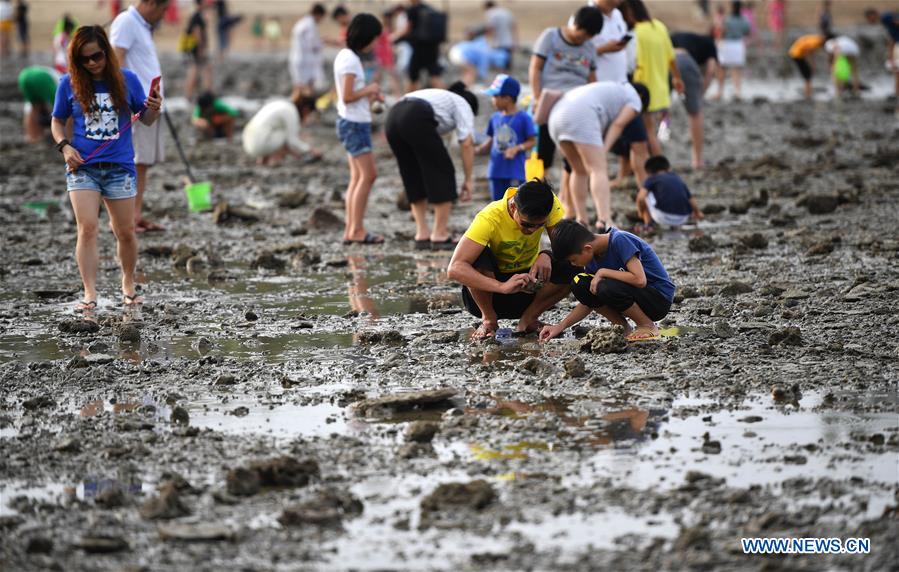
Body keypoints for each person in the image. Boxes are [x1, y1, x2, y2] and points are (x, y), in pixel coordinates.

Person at [51, 25, 162, 311]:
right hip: (83, 167)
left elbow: (146, 119)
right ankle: (89, 293)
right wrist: (65, 146)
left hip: (120, 167)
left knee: (124, 231)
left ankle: (128, 283)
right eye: (84, 59)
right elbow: (57, 120)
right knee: (87, 228)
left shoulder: (127, 80)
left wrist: (154, 107)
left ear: (107, 53)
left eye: (97, 56)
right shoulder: (68, 83)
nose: (91, 63)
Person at [447, 180, 578, 339]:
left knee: (573, 261)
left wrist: (547, 254)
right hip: (492, 294)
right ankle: (489, 320)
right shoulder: (489, 217)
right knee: (476, 256)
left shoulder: (549, 204)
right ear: (513, 206)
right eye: (526, 224)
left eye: (539, 226)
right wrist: (501, 286)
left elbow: (567, 248)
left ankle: (529, 319)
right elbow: (454, 268)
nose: (531, 230)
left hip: (530, 290)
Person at [539, 219, 675, 342]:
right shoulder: (592, 260)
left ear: (587, 248)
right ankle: (622, 328)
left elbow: (640, 280)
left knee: (604, 285)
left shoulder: (620, 240)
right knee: (581, 284)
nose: (574, 265)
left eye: (573, 260)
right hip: (635, 296)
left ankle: (647, 326)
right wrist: (560, 326)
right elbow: (589, 300)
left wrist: (603, 272)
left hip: (658, 299)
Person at [529, 6, 602, 224]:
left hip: (576, 105)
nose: (585, 39)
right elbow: (535, 68)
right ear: (575, 25)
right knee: (542, 155)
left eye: (589, 37)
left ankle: (565, 204)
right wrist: (536, 97)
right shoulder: (551, 37)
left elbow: (592, 77)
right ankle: (535, 202)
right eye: (583, 34)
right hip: (549, 100)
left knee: (573, 159)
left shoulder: (589, 47)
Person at [385, 82, 478, 250]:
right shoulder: (463, 103)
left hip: (393, 117)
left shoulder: (438, 97)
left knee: (412, 174)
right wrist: (468, 179)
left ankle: (422, 234)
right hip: (415, 116)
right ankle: (439, 234)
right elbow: (467, 143)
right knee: (443, 172)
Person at [548, 81, 646, 230]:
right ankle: (604, 220)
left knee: (578, 170)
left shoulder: (616, 87)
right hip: (581, 114)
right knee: (598, 169)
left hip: (556, 116)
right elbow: (618, 124)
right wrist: (604, 149)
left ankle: (581, 219)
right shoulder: (635, 100)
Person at [111, 0, 168, 234]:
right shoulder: (126, 21)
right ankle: (125, 219)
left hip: (150, 106)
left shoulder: (141, 25)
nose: (164, 15)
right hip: (138, 106)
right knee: (134, 162)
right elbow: (117, 60)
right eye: (163, 9)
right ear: (152, 3)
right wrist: (126, 100)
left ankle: (135, 215)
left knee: (142, 163)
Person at [334, 13, 384, 245]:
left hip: (351, 121)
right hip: (354, 123)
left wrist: (370, 92)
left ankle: (351, 229)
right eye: (374, 38)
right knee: (368, 175)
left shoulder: (346, 56)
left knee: (357, 177)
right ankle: (357, 230)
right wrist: (370, 88)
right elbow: (347, 95)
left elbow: (352, 93)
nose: (375, 43)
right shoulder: (351, 60)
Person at [622, 0, 683, 156]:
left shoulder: (634, 33)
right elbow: (671, 56)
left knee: (646, 134)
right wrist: (677, 78)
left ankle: (659, 169)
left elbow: (630, 62)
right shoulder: (659, 26)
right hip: (661, 90)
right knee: (652, 131)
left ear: (629, 13)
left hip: (642, 89)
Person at [476, 74, 537, 201]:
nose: (492, 100)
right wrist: (478, 150)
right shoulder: (495, 117)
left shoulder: (524, 118)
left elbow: (532, 141)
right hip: (495, 170)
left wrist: (517, 148)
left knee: (515, 204)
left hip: (514, 171)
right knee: (497, 205)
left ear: (507, 98)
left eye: (495, 96)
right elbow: (492, 140)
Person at [671, 32, 717, 168]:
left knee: (658, 110)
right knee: (694, 113)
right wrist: (701, 93)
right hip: (684, 62)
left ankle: (652, 154)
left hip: (664, 60)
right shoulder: (710, 44)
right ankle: (697, 160)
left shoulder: (674, 36)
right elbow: (711, 70)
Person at [635, 155, 702, 232]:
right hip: (683, 218)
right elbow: (691, 199)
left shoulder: (652, 178)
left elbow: (641, 198)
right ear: (668, 168)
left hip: (663, 217)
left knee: (641, 191)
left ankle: (648, 225)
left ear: (648, 172)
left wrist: (640, 212)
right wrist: (698, 213)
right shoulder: (676, 178)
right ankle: (674, 226)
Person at [393, 0, 446, 90]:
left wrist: (393, 37)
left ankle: (409, 101)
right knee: (434, 75)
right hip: (432, 47)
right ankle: (448, 98)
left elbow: (407, 29)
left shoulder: (412, 10)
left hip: (419, 48)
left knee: (413, 77)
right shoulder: (429, 8)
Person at [241, 100, 312, 166]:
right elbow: (292, 141)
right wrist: (309, 150)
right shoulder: (291, 111)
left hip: (247, 143)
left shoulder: (281, 104)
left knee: (272, 129)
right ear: (306, 110)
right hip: (258, 146)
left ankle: (263, 160)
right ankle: (275, 160)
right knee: (284, 132)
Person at [289, 3, 326, 124]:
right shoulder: (310, 25)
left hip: (298, 59)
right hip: (305, 62)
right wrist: (323, 42)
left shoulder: (301, 23)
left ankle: (296, 114)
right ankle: (302, 115)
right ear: (318, 14)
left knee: (299, 88)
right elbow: (313, 45)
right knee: (305, 90)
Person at [715, 1, 752, 101]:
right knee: (736, 70)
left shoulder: (727, 20)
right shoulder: (744, 20)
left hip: (727, 44)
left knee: (722, 68)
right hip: (738, 45)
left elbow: (722, 31)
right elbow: (747, 31)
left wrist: (718, 41)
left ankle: (720, 92)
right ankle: (737, 92)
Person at [589, 0, 630, 84]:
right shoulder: (585, 15)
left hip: (621, 82)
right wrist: (603, 49)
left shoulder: (617, 14)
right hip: (599, 85)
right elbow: (576, 54)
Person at [865, 8, 899, 107]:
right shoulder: (886, 24)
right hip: (896, 44)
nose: (870, 22)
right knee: (896, 72)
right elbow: (891, 39)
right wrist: (890, 56)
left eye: (869, 19)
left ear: (873, 15)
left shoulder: (885, 17)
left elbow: (897, 21)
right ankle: (896, 93)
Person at [18, 65, 59, 143]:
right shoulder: (61, 80)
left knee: (34, 108)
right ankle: (68, 139)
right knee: (62, 109)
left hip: (24, 75)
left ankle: (33, 136)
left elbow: (28, 110)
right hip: (42, 78)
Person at [184, 0, 212, 102]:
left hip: (196, 49)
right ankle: (189, 96)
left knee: (202, 70)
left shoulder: (199, 15)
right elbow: (197, 33)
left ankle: (204, 93)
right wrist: (201, 49)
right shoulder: (197, 16)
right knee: (194, 71)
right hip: (195, 49)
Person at [788, 34, 825, 100]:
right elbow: (809, 52)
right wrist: (812, 64)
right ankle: (807, 94)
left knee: (807, 74)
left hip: (797, 54)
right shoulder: (817, 42)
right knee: (807, 75)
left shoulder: (816, 39)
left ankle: (808, 92)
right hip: (796, 55)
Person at [484, 0, 517, 71]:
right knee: (507, 68)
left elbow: (491, 28)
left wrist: (488, 42)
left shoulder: (491, 13)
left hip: (497, 44)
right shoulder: (507, 12)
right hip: (508, 43)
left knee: (498, 68)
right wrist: (515, 42)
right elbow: (513, 27)